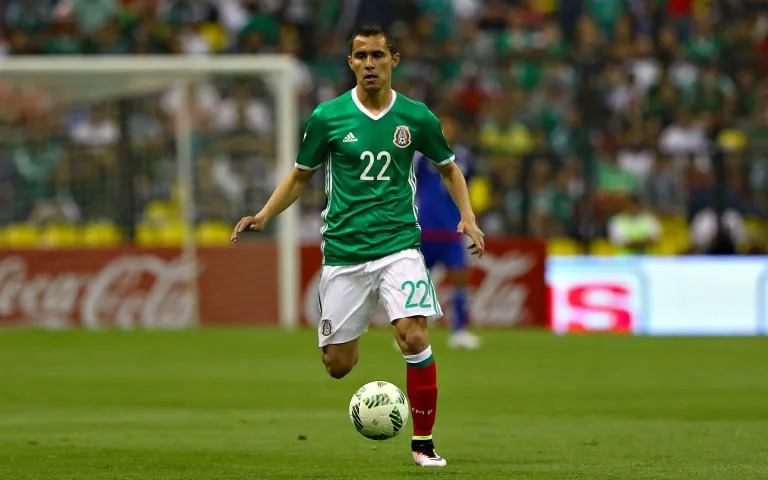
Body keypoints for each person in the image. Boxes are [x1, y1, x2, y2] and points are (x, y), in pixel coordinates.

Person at [231, 23, 485, 468]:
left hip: (399, 246)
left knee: (414, 335)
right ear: (350, 62)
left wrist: (468, 216)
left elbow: (448, 168)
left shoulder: (417, 117)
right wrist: (265, 214)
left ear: (394, 60)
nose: (370, 63)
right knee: (338, 365)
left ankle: (423, 444)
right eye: (362, 56)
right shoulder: (327, 117)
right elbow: (299, 177)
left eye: (378, 55)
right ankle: (357, 335)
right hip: (344, 254)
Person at [414, 116, 481, 349]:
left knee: (459, 278)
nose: (445, 133)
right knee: (416, 282)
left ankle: (459, 330)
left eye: (450, 129)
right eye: (442, 129)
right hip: (424, 229)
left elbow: (467, 185)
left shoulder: (463, 158)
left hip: (452, 229)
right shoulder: (420, 156)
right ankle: (413, 331)